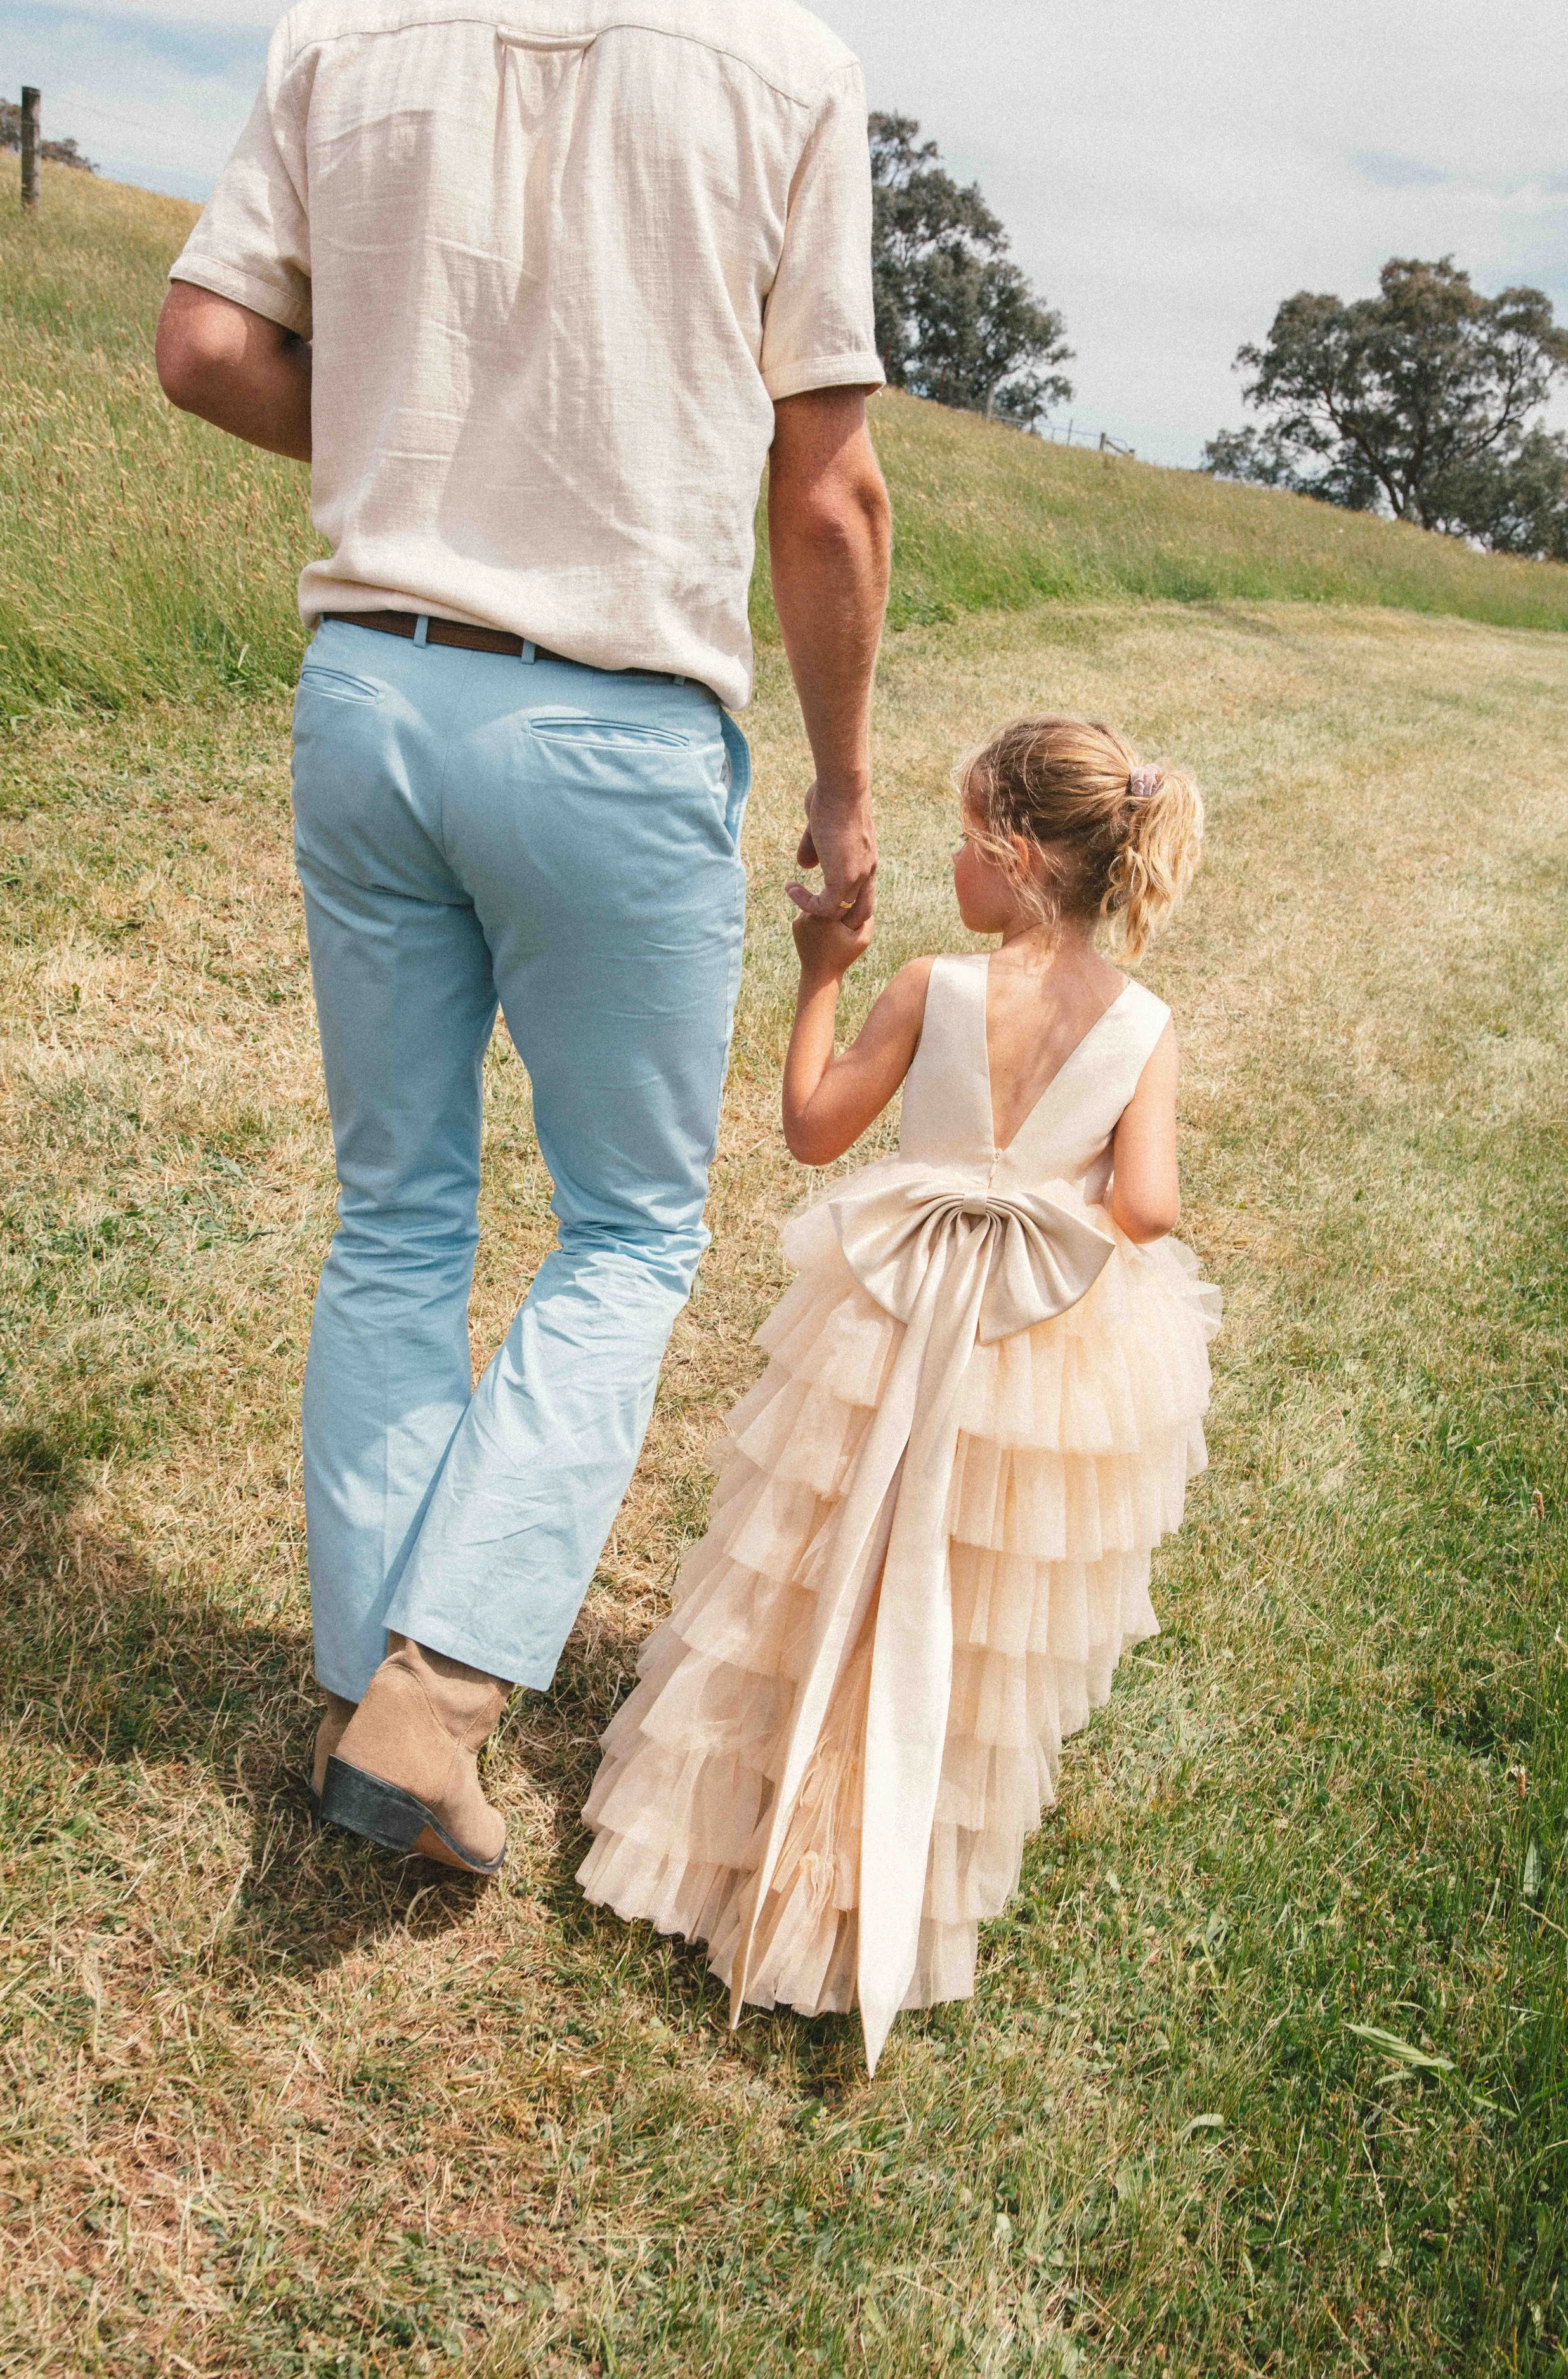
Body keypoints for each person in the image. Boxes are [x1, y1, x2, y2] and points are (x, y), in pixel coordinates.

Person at [154, 0, 891, 1876]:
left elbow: (209, 345)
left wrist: (417, 424)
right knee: (631, 1225)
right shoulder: (785, 67)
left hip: (370, 695)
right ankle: (444, 1683)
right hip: (615, 723)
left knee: (397, 1200)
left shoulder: (338, 27)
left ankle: (357, 1677)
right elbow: (828, 489)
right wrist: (843, 780)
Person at [578, 715, 1220, 2069]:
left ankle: (731, 1854)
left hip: (888, 1309)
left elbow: (812, 1126)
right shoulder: (1145, 1025)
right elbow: (1150, 1208)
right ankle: (882, 1887)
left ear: (1020, 857)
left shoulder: (930, 986)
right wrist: (1043, 1205)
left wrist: (818, 971)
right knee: (963, 1608)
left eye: (967, 830)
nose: (949, 858)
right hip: (1030, 1341)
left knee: (817, 1564)